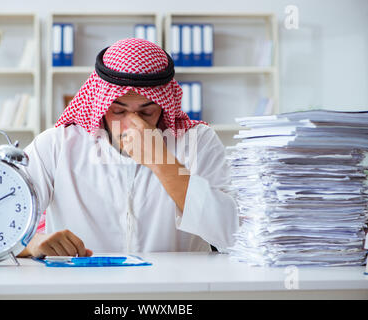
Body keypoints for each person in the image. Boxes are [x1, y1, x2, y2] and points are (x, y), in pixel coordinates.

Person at [18, 38, 238, 258]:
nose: (133, 124)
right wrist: (32, 244)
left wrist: (161, 162)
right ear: (101, 105)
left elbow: (233, 235)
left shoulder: (199, 142)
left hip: (176, 289)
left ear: (163, 106)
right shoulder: (57, 145)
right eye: (119, 111)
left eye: (146, 112)